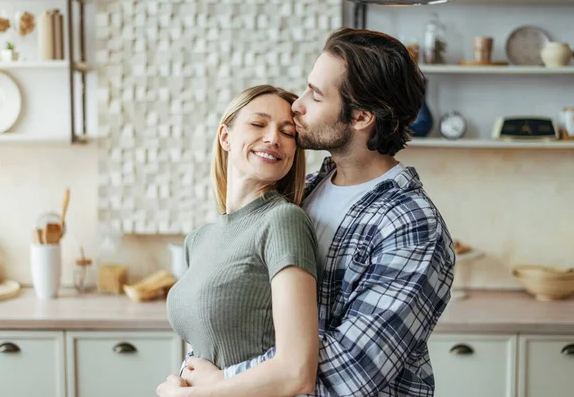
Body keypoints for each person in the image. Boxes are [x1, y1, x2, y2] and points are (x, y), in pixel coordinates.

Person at [158, 27, 455, 397]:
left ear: (361, 117)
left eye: (315, 95)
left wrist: (223, 381)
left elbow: (354, 371)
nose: (297, 104)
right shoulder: (304, 190)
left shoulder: (409, 224)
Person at [160, 85, 321, 397]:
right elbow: (206, 350)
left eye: (287, 132)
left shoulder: (283, 221)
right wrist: (179, 381)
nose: (273, 138)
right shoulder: (199, 239)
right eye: (258, 124)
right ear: (225, 137)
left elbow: (297, 373)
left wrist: (190, 395)